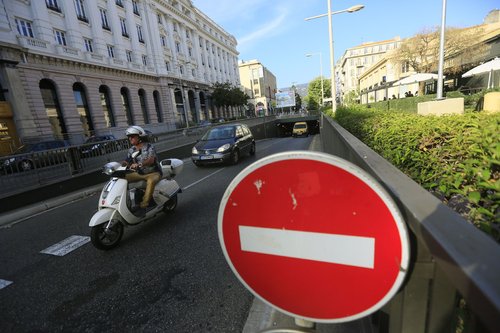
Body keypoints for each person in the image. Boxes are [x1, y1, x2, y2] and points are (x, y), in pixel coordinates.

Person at [122, 126, 161, 216]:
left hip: (153, 172)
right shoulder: (131, 150)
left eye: (132, 136)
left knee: (151, 181)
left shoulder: (149, 146)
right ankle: (126, 204)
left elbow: (151, 160)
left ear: (139, 137)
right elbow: (127, 161)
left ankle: (144, 204)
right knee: (122, 179)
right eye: (129, 137)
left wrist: (140, 164)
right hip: (140, 174)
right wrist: (121, 166)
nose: (130, 138)